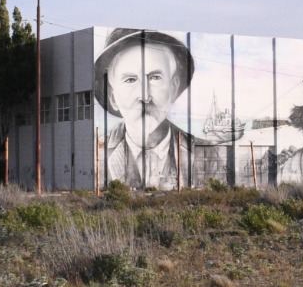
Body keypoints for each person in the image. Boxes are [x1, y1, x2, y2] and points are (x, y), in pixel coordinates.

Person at [94, 28, 222, 189]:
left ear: (174, 87)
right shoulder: (94, 152)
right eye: (130, 79)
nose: (145, 96)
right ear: (112, 96)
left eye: (155, 77)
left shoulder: (205, 152)